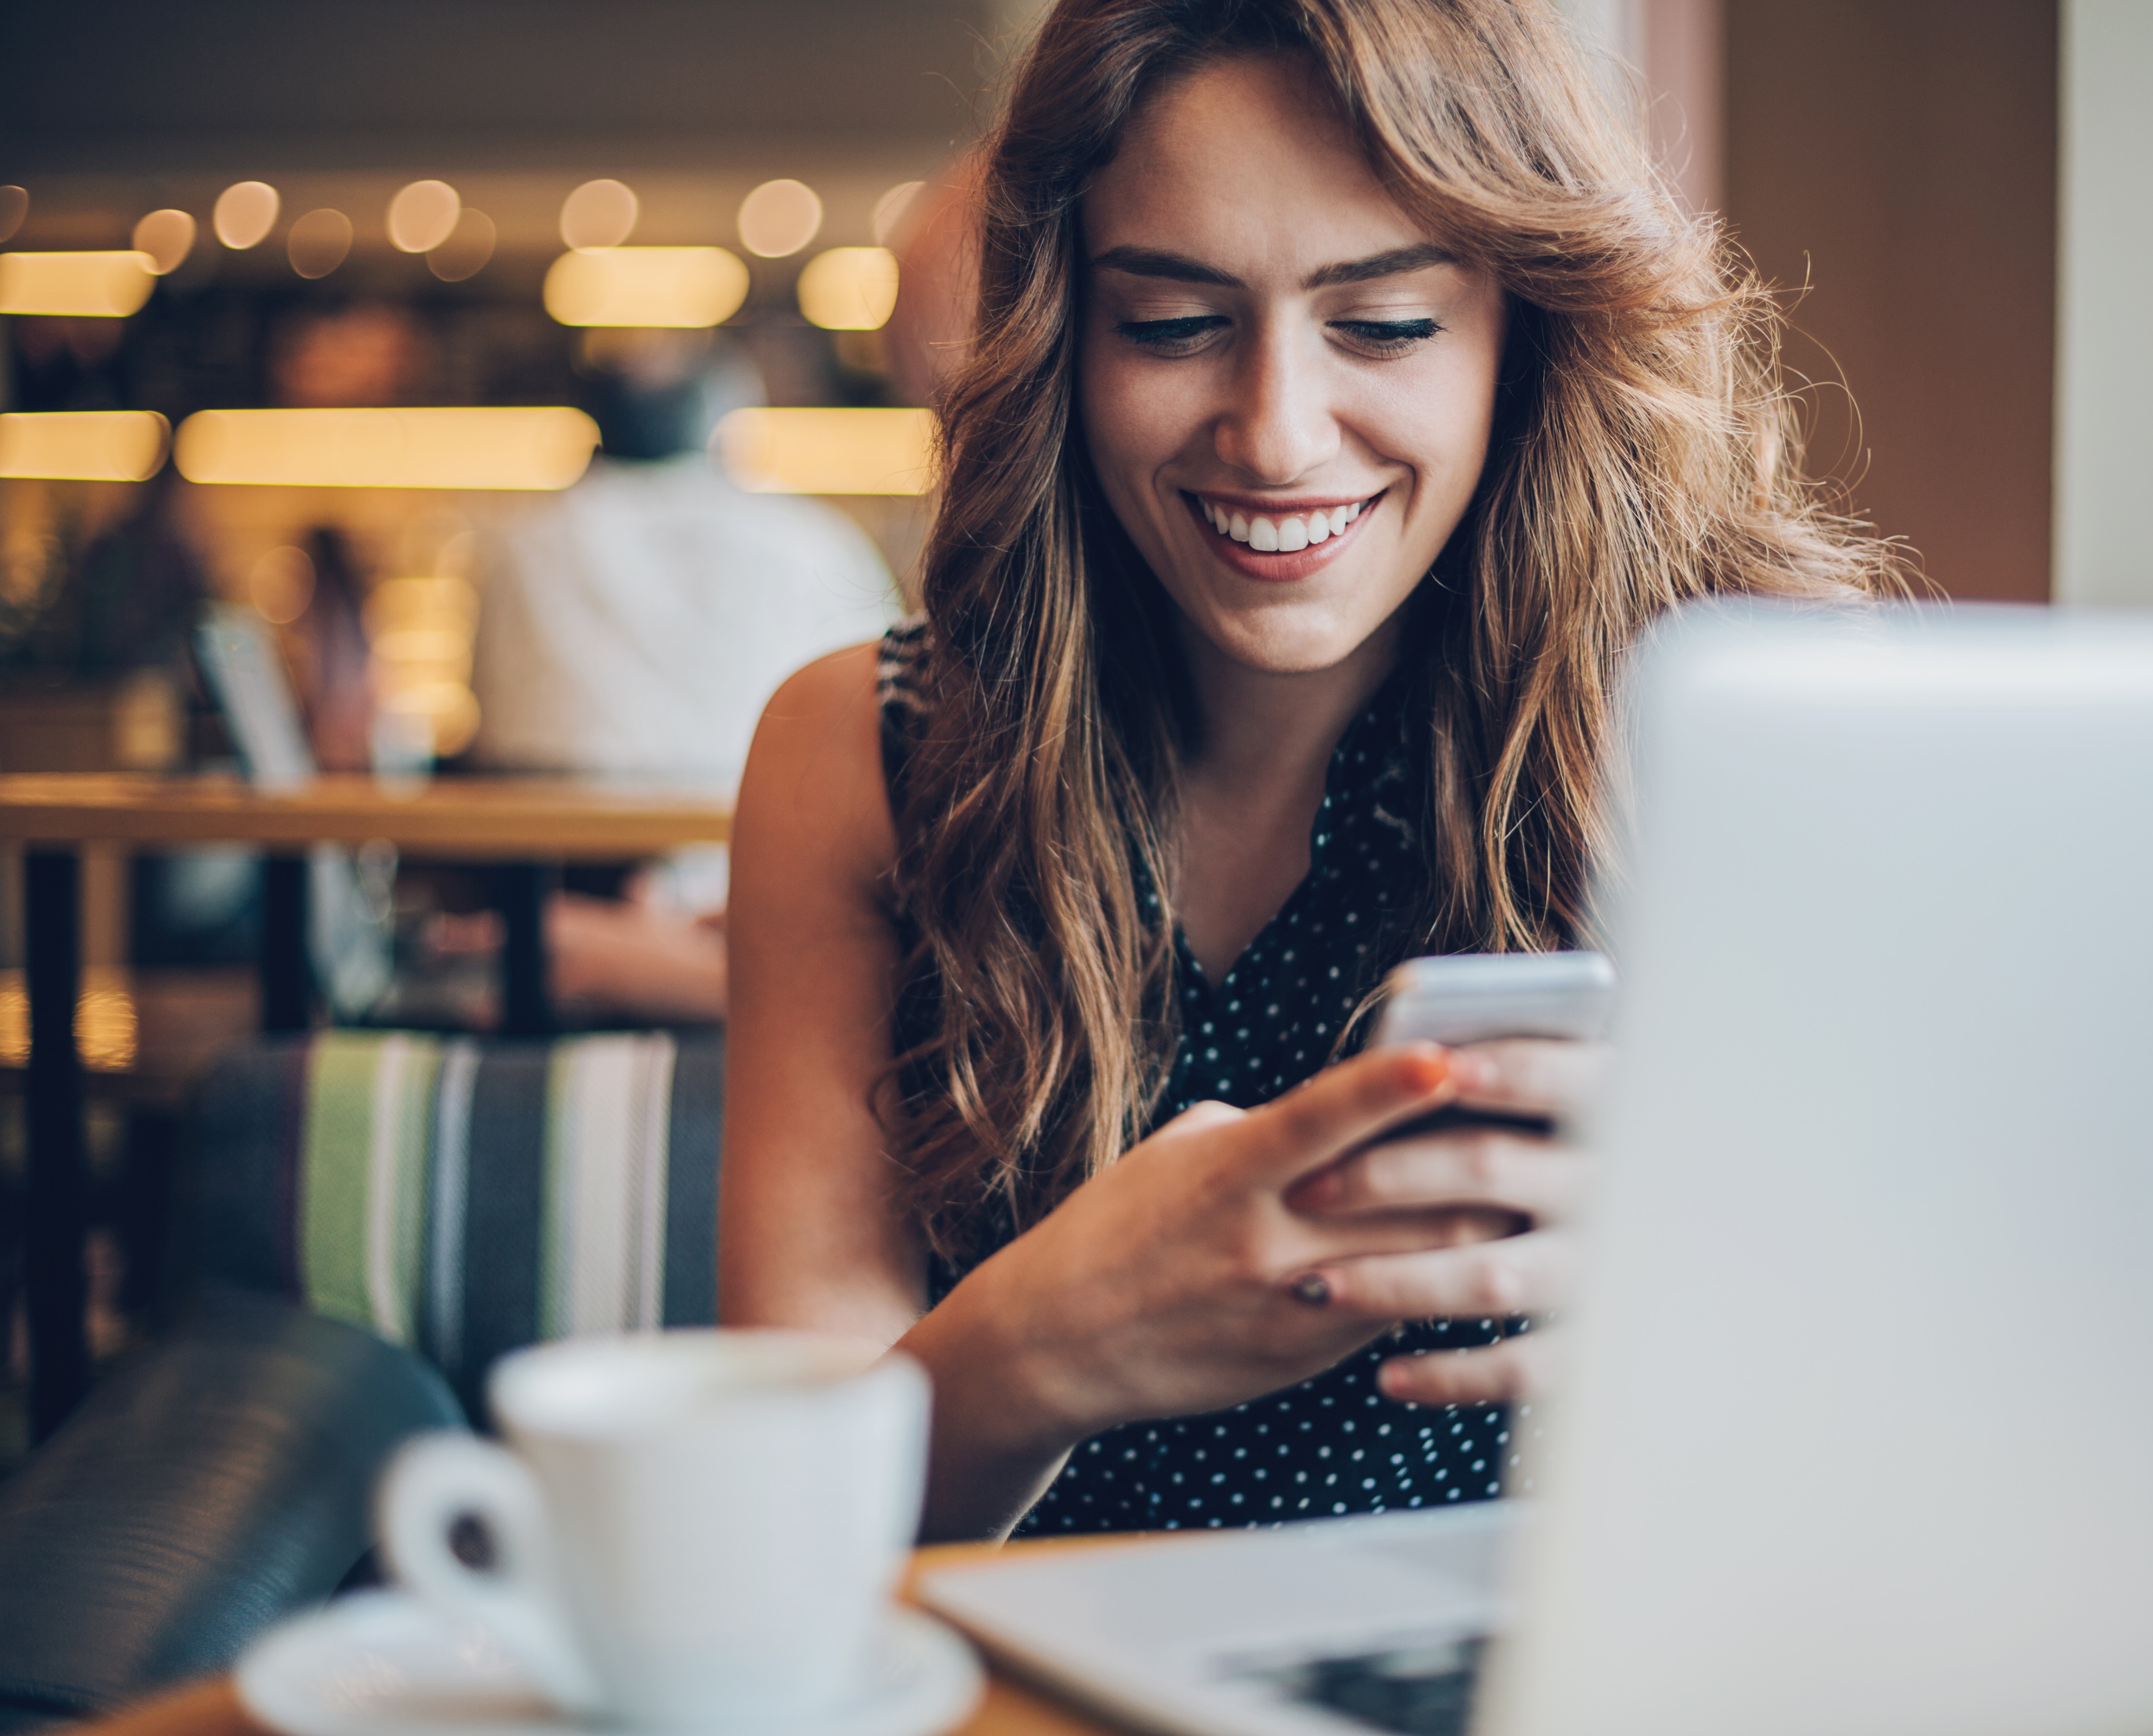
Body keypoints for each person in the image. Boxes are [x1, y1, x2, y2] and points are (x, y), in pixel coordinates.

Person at [723, 0, 1895, 1542]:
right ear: (1060, 341)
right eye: (1172, 323)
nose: (1276, 435)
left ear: (1523, 333)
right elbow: (778, 1541)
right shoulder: (866, 750)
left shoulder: (1726, 735)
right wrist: (1046, 1339)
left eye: (1387, 324)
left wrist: (1753, 1279)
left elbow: (1906, 1450)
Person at [460, 333, 898, 1022]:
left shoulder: (518, 541)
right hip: (781, 905)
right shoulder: (816, 541)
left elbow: (483, 728)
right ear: (728, 429)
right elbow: (891, 735)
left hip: (562, 909)